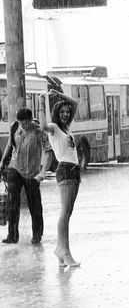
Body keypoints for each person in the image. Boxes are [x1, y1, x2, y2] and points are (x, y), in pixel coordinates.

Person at [38, 89, 81, 268]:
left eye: (67, 112)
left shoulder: (65, 128)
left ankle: (59, 249)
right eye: (62, 112)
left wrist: (59, 94)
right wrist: (42, 102)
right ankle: (65, 251)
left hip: (74, 170)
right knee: (64, 213)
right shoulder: (54, 128)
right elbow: (42, 126)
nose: (65, 114)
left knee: (68, 213)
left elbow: (76, 104)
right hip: (65, 169)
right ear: (56, 113)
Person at [0, 108, 52, 244]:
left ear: (31, 120)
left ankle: (37, 235)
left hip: (32, 173)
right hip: (15, 167)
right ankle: (12, 235)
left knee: (34, 205)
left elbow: (48, 153)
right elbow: (10, 144)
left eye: (26, 124)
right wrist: (2, 161)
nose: (23, 126)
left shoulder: (39, 132)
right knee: (12, 202)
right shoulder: (15, 127)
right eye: (21, 124)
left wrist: (43, 172)